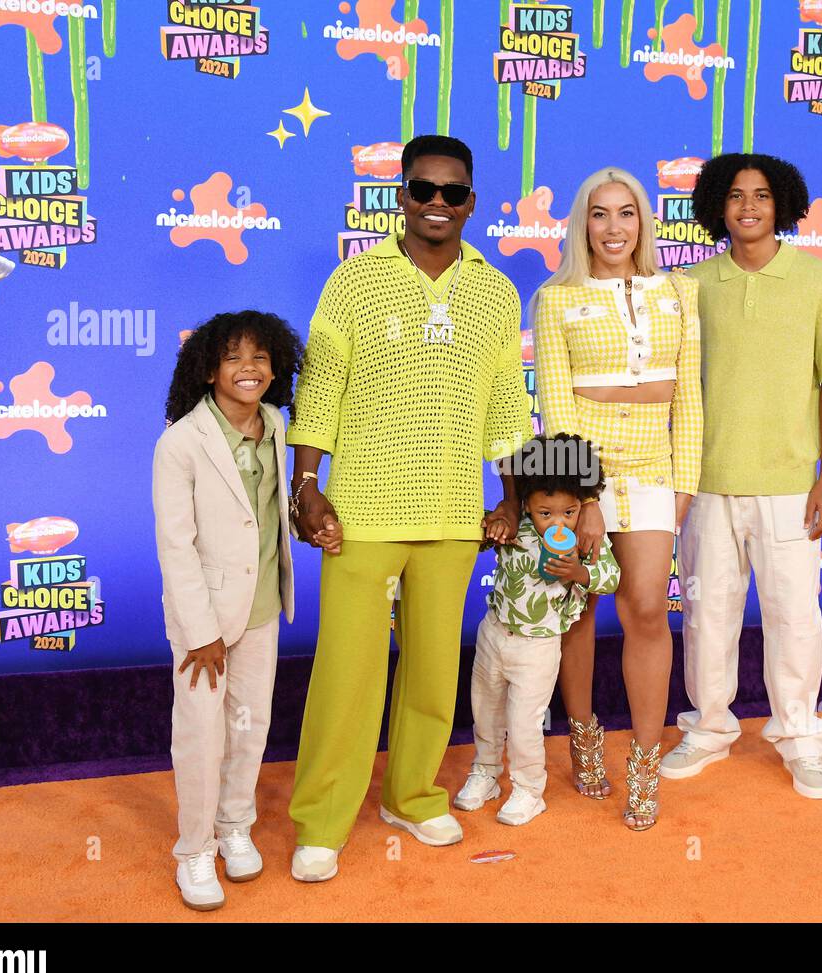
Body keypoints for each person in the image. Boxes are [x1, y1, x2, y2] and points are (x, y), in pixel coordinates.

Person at [286, 134, 534, 882]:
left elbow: (505, 405)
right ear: (399, 194)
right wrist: (306, 482)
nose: (436, 202)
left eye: (452, 193)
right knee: (346, 672)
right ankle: (321, 820)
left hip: (455, 511)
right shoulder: (354, 282)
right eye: (422, 188)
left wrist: (512, 494)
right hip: (359, 509)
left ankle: (413, 793)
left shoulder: (495, 289)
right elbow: (321, 383)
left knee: (432, 671)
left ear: (471, 203)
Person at [663, 152, 822, 799]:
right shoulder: (691, 284)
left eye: (762, 195)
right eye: (737, 195)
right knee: (707, 614)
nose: (748, 206)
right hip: (708, 481)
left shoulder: (817, 278)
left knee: (795, 617)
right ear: (717, 204)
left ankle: (800, 737)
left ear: (784, 204)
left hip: (791, 485)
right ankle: (709, 729)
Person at [531, 167, 702, 830]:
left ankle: (645, 764)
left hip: (656, 467)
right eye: (598, 214)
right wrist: (585, 496)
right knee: (579, 606)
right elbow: (554, 402)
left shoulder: (680, 293)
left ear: (643, 222)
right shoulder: (555, 297)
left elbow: (689, 399)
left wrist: (683, 490)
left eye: (625, 213)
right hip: (585, 466)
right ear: (582, 224)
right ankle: (582, 736)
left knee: (649, 608)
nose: (613, 228)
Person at [152, 311, 302, 911]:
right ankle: (193, 848)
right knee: (199, 733)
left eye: (261, 357)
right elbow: (176, 545)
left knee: (250, 723)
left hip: (263, 605)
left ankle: (235, 824)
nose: (249, 368)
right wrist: (199, 632)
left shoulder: (277, 424)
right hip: (204, 620)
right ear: (209, 368)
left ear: (276, 368)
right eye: (234, 357)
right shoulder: (180, 442)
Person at [454, 434, 621, 826]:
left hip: (539, 647)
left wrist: (580, 572)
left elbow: (611, 576)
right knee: (486, 713)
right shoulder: (517, 526)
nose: (559, 522)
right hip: (493, 634)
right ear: (527, 501)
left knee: (525, 723)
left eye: (570, 511)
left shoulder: (583, 540)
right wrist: (490, 527)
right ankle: (486, 772)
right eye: (547, 513)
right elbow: (480, 541)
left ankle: (529, 790)